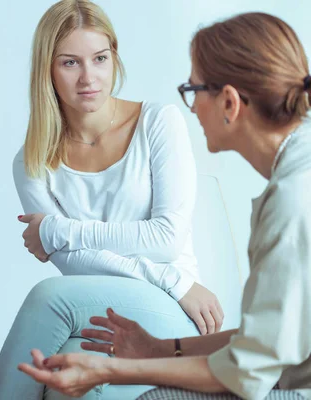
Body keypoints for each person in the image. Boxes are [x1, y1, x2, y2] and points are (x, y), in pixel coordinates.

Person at [20, 11, 311, 400]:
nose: (190, 108)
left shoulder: (293, 202)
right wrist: (162, 349)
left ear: (228, 101)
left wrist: (113, 369)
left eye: (192, 90)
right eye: (71, 62)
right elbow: (268, 341)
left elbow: (250, 369)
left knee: (53, 302)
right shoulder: (293, 181)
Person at [0, 1, 222, 398]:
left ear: (114, 57)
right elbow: (73, 263)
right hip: (103, 310)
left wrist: (59, 229)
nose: (88, 78)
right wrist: (166, 274)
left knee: (47, 296)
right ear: (47, 69)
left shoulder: (158, 123)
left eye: (99, 58)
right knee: (61, 384)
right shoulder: (32, 161)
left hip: (174, 306)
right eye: (70, 63)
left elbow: (166, 238)